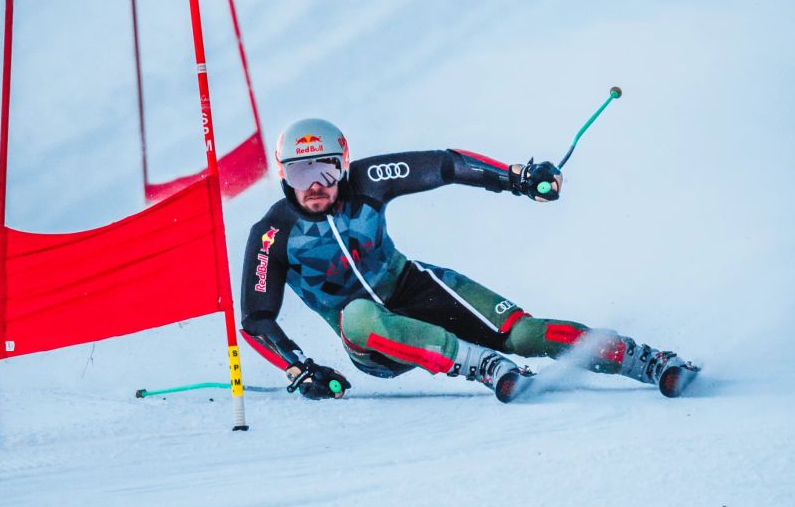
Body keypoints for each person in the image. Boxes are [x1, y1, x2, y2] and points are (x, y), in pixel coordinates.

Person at [240, 118, 698, 402]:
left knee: (525, 333)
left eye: (325, 169)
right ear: (283, 175)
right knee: (356, 315)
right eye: (301, 172)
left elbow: (445, 164)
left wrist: (515, 178)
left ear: (343, 165)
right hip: (375, 342)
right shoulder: (272, 234)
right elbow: (256, 319)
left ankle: (646, 361)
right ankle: (479, 365)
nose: (314, 185)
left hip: (414, 288)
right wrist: (300, 368)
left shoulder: (368, 180)